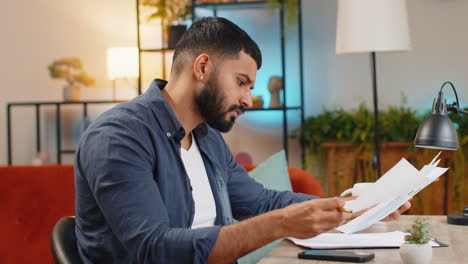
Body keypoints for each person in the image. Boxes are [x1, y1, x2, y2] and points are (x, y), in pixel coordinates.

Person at [74, 17, 410, 264]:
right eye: (241, 82)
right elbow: (154, 248)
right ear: (202, 67)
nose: (248, 99)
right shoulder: (119, 137)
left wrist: (355, 207)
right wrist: (280, 225)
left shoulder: (205, 138)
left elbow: (260, 202)